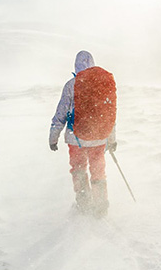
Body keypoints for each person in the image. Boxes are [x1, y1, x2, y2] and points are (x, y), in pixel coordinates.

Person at [49, 50, 117, 218]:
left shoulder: (71, 85)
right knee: (98, 172)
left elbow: (61, 114)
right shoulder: (102, 85)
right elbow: (109, 114)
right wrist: (112, 139)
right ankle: (101, 207)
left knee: (79, 170)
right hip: (99, 139)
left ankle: (84, 203)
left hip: (75, 139)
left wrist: (53, 137)